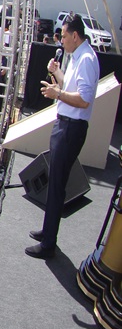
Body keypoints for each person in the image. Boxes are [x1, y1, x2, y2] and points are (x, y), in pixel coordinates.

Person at [29, 15, 99, 259]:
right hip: (65, 125)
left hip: (72, 128)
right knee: (54, 180)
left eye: (64, 36)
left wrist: (57, 94)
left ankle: (49, 243)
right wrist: (58, 74)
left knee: (57, 183)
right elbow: (71, 89)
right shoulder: (77, 57)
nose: (62, 40)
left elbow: (83, 99)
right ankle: (47, 231)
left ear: (75, 36)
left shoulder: (87, 60)